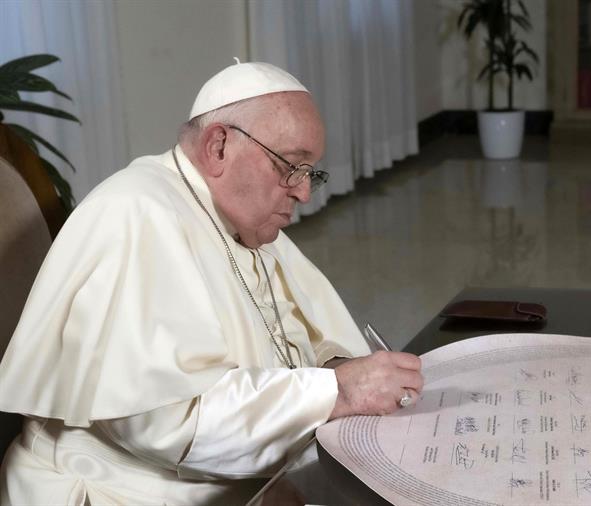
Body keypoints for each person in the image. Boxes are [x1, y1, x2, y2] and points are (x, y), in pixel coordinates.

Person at [0, 61, 424, 505]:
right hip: (123, 491)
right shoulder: (138, 213)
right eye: (292, 166)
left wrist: (338, 368)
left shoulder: (241, 216)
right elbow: (167, 423)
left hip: (238, 476)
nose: (302, 192)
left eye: (311, 173)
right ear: (218, 146)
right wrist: (337, 392)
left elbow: (296, 332)